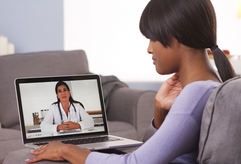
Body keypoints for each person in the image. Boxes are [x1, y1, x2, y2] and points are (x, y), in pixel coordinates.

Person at [26, 0, 236, 163]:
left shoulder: (196, 93)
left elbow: (136, 161)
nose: (149, 48)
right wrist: (159, 107)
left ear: (176, 35)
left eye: (153, 38)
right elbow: (151, 151)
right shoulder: (211, 85)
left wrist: (67, 149)